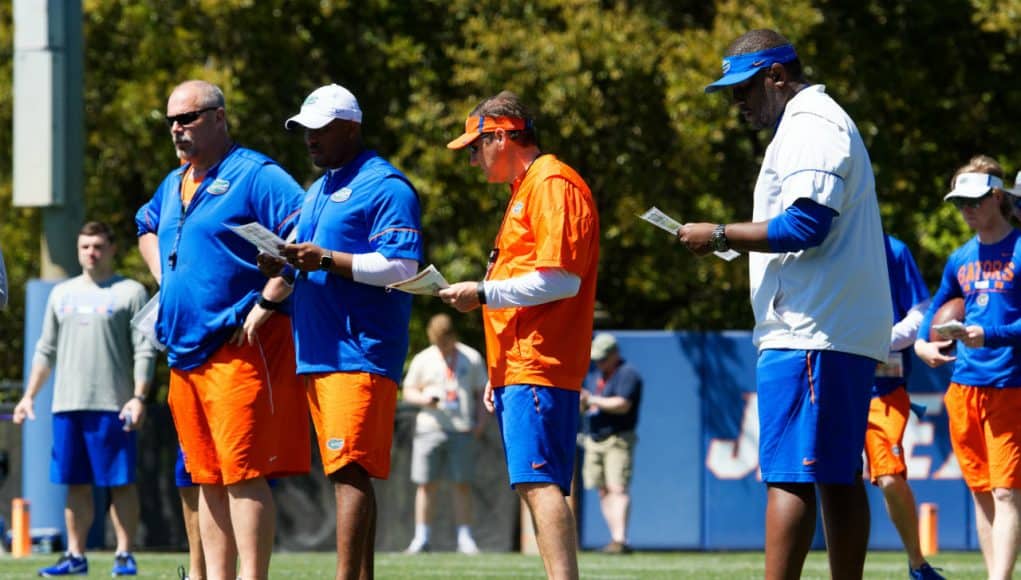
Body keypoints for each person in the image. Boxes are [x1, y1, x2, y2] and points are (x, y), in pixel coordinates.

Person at [678, 29, 892, 580]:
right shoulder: (816, 123)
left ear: (777, 75)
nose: (738, 103)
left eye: (745, 89)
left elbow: (806, 224)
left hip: (809, 329)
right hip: (831, 326)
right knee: (837, 475)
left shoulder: (810, 125)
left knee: (789, 475)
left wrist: (721, 234)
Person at [136, 79, 311, 580]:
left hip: (236, 348)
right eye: (171, 120)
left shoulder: (256, 174)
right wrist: (165, 276)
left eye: (187, 118)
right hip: (183, 353)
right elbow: (145, 225)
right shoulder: (174, 182)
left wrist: (269, 299)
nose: (176, 129)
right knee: (205, 478)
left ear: (218, 117)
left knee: (243, 475)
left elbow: (306, 233)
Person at [261, 82, 422, 579]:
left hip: (359, 350)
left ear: (350, 128)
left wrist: (329, 258)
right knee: (345, 471)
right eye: (303, 130)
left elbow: (403, 267)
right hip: (320, 351)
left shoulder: (386, 185)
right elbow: (307, 260)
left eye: (319, 130)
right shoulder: (319, 190)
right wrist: (283, 263)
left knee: (348, 470)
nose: (308, 139)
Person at [439, 90, 600, 580]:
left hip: (539, 362)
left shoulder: (551, 181)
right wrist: (498, 366)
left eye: (476, 146)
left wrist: (483, 292)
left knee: (540, 483)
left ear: (504, 136)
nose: (472, 158)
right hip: (521, 363)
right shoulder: (528, 188)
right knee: (537, 482)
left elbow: (561, 279)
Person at [13, 221, 156, 577]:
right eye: (84, 247)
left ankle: (124, 553)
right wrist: (28, 396)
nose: (90, 253)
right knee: (74, 484)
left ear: (111, 249)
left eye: (97, 246)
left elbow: (145, 350)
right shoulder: (61, 294)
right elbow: (45, 350)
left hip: (113, 405)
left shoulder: (131, 291)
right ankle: (75, 555)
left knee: (119, 483)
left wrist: (139, 397)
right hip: (67, 406)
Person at [915, 156, 1021, 580]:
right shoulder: (960, 257)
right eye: (960, 202)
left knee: (1006, 491)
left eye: (975, 200)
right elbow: (937, 304)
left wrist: (989, 334)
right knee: (981, 493)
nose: (967, 210)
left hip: (1009, 383)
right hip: (964, 386)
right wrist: (923, 341)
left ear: (997, 196)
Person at [868, 235, 944, 579]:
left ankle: (917, 563)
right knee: (830, 478)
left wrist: (873, 346)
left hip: (881, 388)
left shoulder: (893, 250)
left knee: (888, 477)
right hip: (828, 381)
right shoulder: (821, 241)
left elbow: (920, 315)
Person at [402, 313, 487, 555]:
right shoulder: (423, 358)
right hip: (430, 428)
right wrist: (425, 399)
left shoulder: (470, 357)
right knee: (426, 485)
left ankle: (465, 538)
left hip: (462, 429)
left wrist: (480, 422)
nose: (442, 346)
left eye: (445, 341)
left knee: (462, 484)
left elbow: (481, 392)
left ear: (453, 336)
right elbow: (408, 390)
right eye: (438, 341)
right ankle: (421, 538)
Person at [580, 333, 642, 555]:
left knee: (618, 487)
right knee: (603, 489)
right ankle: (615, 538)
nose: (599, 363)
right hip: (595, 438)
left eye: (603, 358)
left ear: (615, 353)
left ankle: (621, 539)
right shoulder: (599, 374)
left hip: (617, 438)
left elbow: (622, 404)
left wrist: (591, 400)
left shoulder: (628, 374)